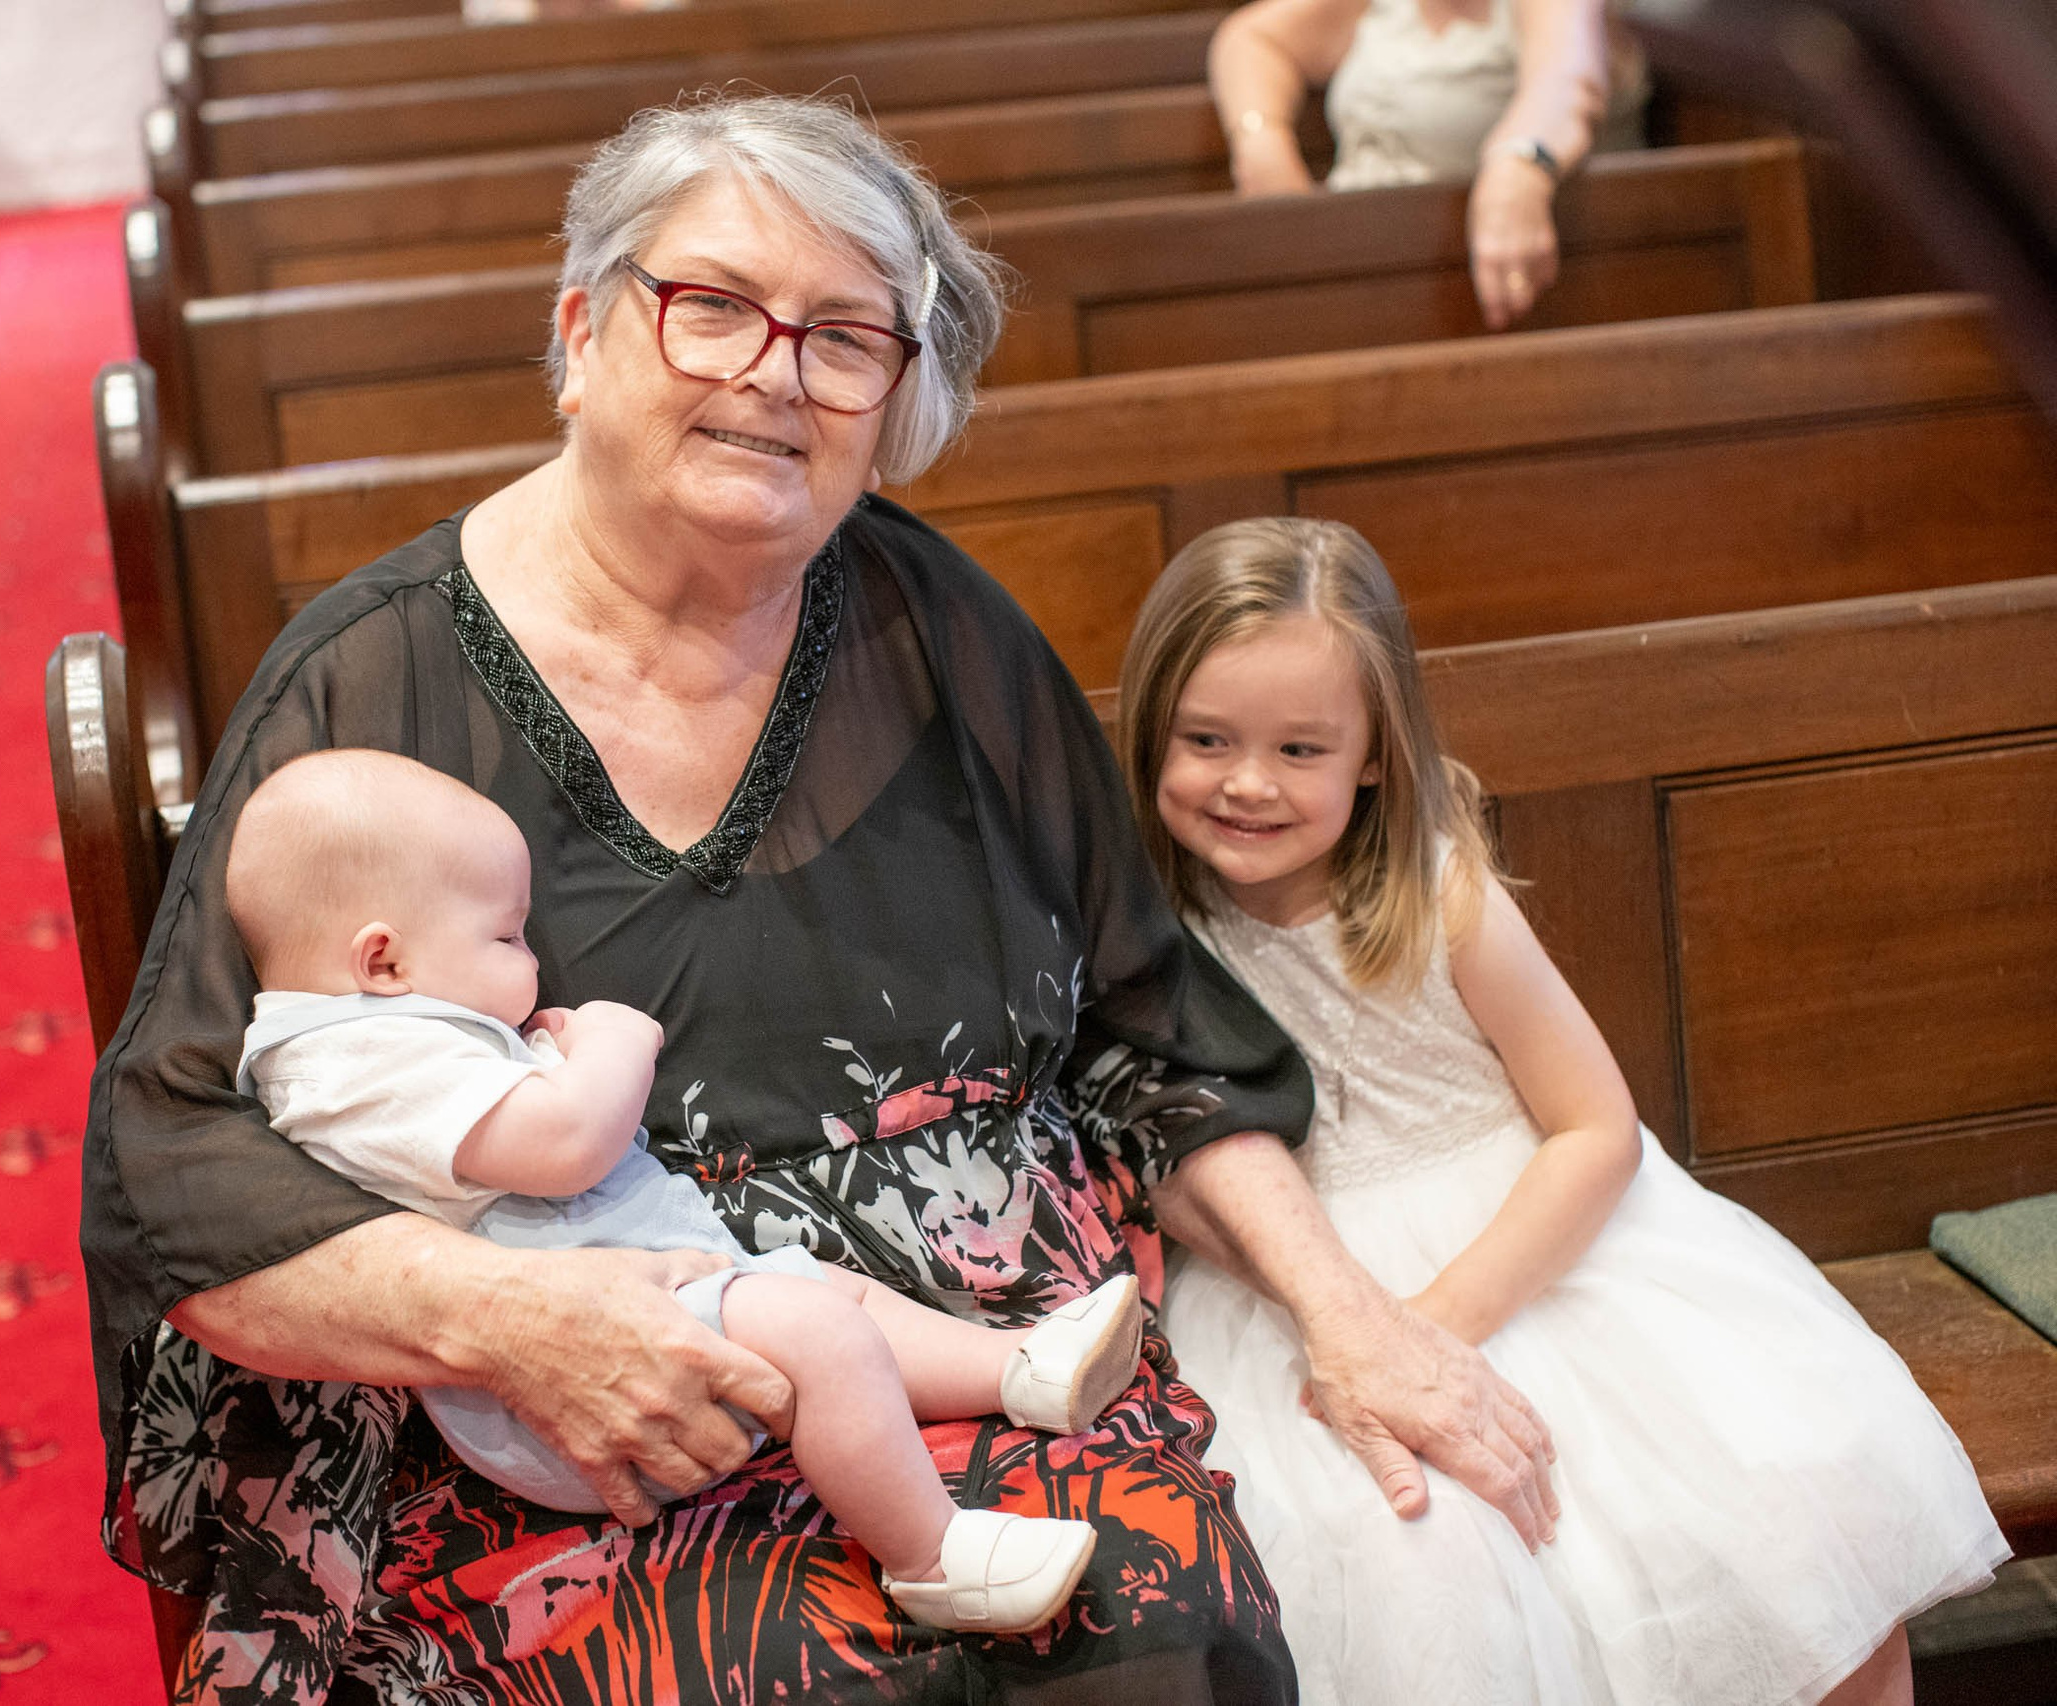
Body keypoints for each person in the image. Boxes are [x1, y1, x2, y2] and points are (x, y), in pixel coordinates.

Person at [84, 93, 1561, 1704]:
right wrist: (508, 1318)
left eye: (847, 337)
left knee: (1149, 1637)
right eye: (711, 306)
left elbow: (1154, 1030)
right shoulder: (368, 688)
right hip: (559, 1412)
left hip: (983, 1360)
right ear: (582, 334)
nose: (776, 373)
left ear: (890, 403)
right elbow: (175, 1164)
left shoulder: (945, 632)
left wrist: (1350, 1318)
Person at [1115, 517, 2011, 1706]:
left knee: (1783, 1515)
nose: (1246, 780)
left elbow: (1596, 1128)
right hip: (1288, 1291)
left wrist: (1430, 1325)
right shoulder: (1140, 927)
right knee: (1415, 1569)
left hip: (1537, 1259)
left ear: (1375, 752)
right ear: (1149, 730)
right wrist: (1367, 1337)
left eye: (1298, 746)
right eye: (1206, 738)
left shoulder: (1439, 896)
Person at [222, 748, 1149, 1632]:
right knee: (823, 1336)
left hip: (644, 1293)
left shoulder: (377, 1030)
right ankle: (932, 1557)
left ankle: (1019, 1371)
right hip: (575, 1383)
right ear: (382, 961)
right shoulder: (353, 1064)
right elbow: (572, 1141)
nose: (532, 960)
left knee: (832, 1296)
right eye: (507, 935)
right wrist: (617, 1038)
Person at [1209, 0, 1650, 329]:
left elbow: (1565, 83)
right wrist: (1263, 142)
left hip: (1469, 296)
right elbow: (1251, 38)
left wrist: (1517, 169)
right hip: (1347, 272)